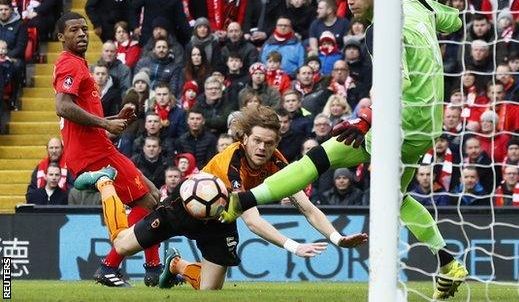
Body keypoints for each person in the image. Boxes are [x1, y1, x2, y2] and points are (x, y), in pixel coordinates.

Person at [219, 0, 468, 299]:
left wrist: (366, 118)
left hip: (400, 124)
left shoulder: (381, 31)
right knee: (397, 197)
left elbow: (399, 81)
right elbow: (454, 20)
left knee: (317, 159)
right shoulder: (419, 6)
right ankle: (448, 261)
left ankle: (242, 201)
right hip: (427, 126)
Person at [72, 105, 366, 291]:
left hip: (220, 221)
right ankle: (104, 182)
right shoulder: (232, 164)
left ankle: (176, 266)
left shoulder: (277, 163)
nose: (263, 147)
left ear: (276, 142)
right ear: (244, 138)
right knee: (122, 243)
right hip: (185, 206)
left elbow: (307, 207)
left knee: (210, 290)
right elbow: (251, 220)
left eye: (269, 142)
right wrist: (293, 245)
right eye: (257, 140)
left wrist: (337, 238)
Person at [53, 12, 162, 288]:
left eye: (84, 29)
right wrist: (104, 123)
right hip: (95, 155)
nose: (80, 34)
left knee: (153, 195)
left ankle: (153, 269)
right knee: (148, 202)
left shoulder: (79, 65)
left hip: (98, 147)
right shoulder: (70, 65)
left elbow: (80, 117)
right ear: (60, 37)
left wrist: (115, 119)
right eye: (74, 30)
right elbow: (62, 106)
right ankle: (111, 266)